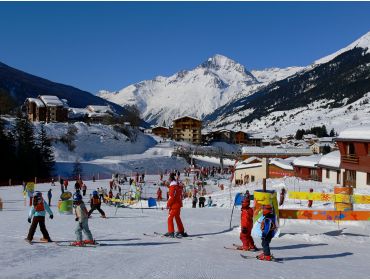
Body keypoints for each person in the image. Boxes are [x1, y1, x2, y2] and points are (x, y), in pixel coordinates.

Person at [165, 173, 187, 238]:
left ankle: (171, 232)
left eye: (169, 179)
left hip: (174, 205)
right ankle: (181, 231)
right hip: (178, 205)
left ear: (171, 179)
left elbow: (172, 197)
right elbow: (176, 191)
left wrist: (168, 204)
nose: (168, 180)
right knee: (177, 218)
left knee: (170, 218)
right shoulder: (176, 186)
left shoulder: (173, 187)